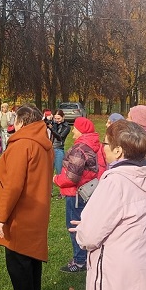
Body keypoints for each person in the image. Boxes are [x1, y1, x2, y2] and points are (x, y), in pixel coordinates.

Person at [74, 120, 146, 290]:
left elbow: (89, 235)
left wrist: (83, 229)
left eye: (105, 144)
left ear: (118, 151)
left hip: (117, 274)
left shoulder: (116, 181)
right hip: (143, 267)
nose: (101, 148)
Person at [0, 105, 54, 290]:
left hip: (21, 211)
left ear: (21, 122)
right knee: (31, 258)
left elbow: (13, 184)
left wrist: (1, 216)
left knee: (18, 261)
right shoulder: (43, 143)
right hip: (37, 209)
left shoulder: (23, 144)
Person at [53, 117, 100, 273]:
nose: (72, 130)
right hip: (88, 192)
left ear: (81, 130)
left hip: (76, 194)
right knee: (86, 224)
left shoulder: (79, 148)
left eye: (75, 128)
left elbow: (72, 177)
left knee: (74, 226)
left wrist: (56, 179)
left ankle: (80, 261)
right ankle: (89, 257)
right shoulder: (92, 145)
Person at [46, 110, 71, 174]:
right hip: (49, 149)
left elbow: (60, 137)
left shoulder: (67, 127)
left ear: (63, 117)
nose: (57, 120)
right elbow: (43, 123)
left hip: (58, 149)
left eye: (59, 118)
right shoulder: (53, 123)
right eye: (55, 118)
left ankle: (60, 183)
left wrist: (52, 129)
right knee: (48, 172)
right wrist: (47, 119)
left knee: (59, 171)